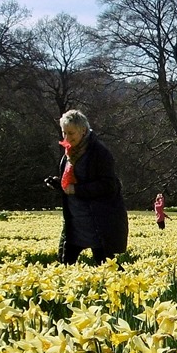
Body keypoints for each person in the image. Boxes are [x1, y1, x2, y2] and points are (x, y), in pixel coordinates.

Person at [44, 109, 128, 264]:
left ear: (83, 131)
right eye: (64, 133)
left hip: (98, 221)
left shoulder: (99, 153)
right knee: (65, 264)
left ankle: (126, 288)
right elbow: (71, 181)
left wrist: (77, 190)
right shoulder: (70, 152)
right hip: (75, 221)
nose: (67, 138)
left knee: (106, 266)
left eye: (71, 133)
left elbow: (110, 185)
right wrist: (58, 183)